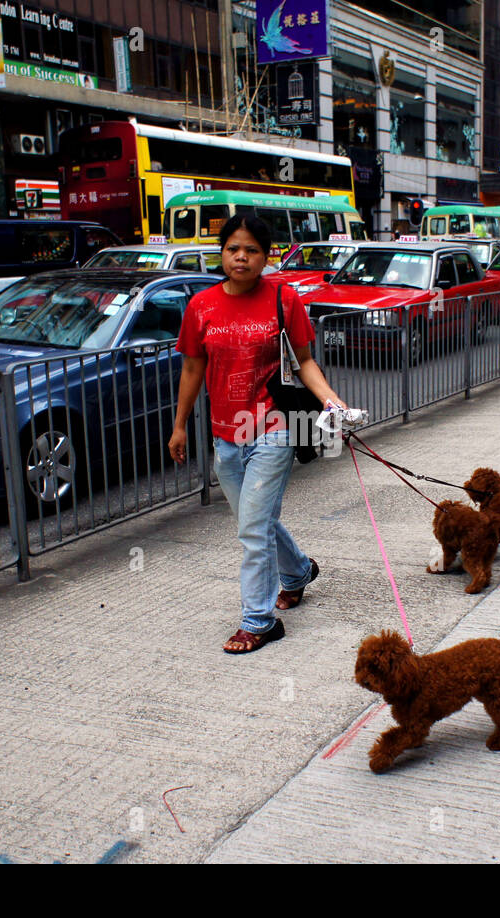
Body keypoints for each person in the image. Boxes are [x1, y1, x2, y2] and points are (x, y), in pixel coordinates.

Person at [169, 214, 347, 654]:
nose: (242, 258)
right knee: (257, 522)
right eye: (233, 249)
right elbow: (192, 367)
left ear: (266, 256)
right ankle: (298, 572)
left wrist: (330, 400)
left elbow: (304, 361)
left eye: (251, 250)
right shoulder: (202, 306)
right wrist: (179, 425)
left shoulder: (283, 298)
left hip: (272, 427)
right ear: (222, 252)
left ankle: (259, 621)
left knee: (251, 530)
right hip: (225, 434)